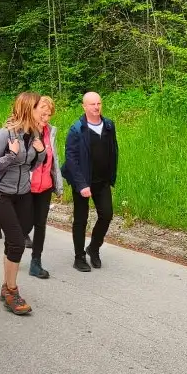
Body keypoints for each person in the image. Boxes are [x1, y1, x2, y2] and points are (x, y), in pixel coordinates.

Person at [0, 92, 46, 315]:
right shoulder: (5, 134)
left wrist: (41, 154)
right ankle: (12, 290)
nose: (43, 110)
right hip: (2, 194)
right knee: (17, 242)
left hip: (24, 193)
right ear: (27, 109)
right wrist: (11, 157)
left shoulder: (35, 133)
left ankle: (6, 286)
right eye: (39, 107)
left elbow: (32, 165)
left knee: (17, 239)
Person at [62, 91, 119, 272]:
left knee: (107, 214)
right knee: (81, 219)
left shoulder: (109, 125)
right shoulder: (77, 128)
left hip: (101, 181)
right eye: (92, 104)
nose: (96, 107)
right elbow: (71, 159)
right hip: (83, 181)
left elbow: (113, 150)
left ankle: (93, 248)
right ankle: (79, 257)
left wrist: (111, 176)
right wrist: (81, 185)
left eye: (99, 104)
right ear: (84, 106)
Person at [26, 95, 62, 279]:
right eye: (42, 113)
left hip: (45, 186)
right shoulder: (25, 131)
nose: (45, 118)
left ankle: (36, 262)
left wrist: (58, 185)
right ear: (33, 110)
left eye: (48, 115)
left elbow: (54, 160)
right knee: (25, 223)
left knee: (40, 224)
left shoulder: (51, 132)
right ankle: (12, 252)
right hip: (26, 187)